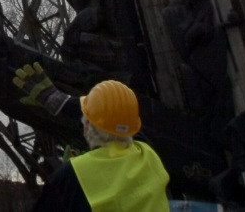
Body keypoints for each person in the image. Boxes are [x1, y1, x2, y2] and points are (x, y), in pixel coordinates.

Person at [14, 64, 169, 212]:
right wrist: (63, 103)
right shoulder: (149, 155)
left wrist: (60, 103)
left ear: (88, 125)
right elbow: (120, 122)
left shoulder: (70, 177)